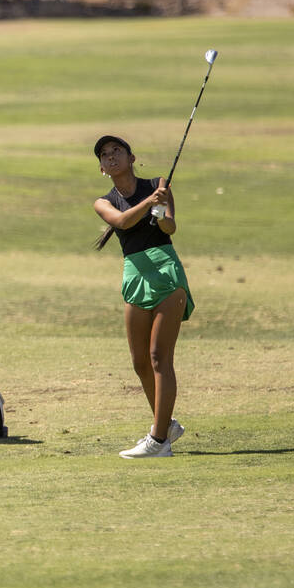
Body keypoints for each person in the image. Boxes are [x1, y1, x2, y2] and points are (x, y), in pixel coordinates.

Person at [92, 135, 195, 459]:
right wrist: (149, 203)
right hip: (134, 274)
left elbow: (168, 228)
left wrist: (160, 207)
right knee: (139, 363)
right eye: (105, 155)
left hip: (165, 270)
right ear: (102, 168)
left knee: (158, 356)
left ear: (131, 157)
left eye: (117, 151)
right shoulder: (103, 202)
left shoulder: (157, 184)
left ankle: (158, 440)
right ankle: (166, 424)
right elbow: (122, 221)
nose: (111, 157)